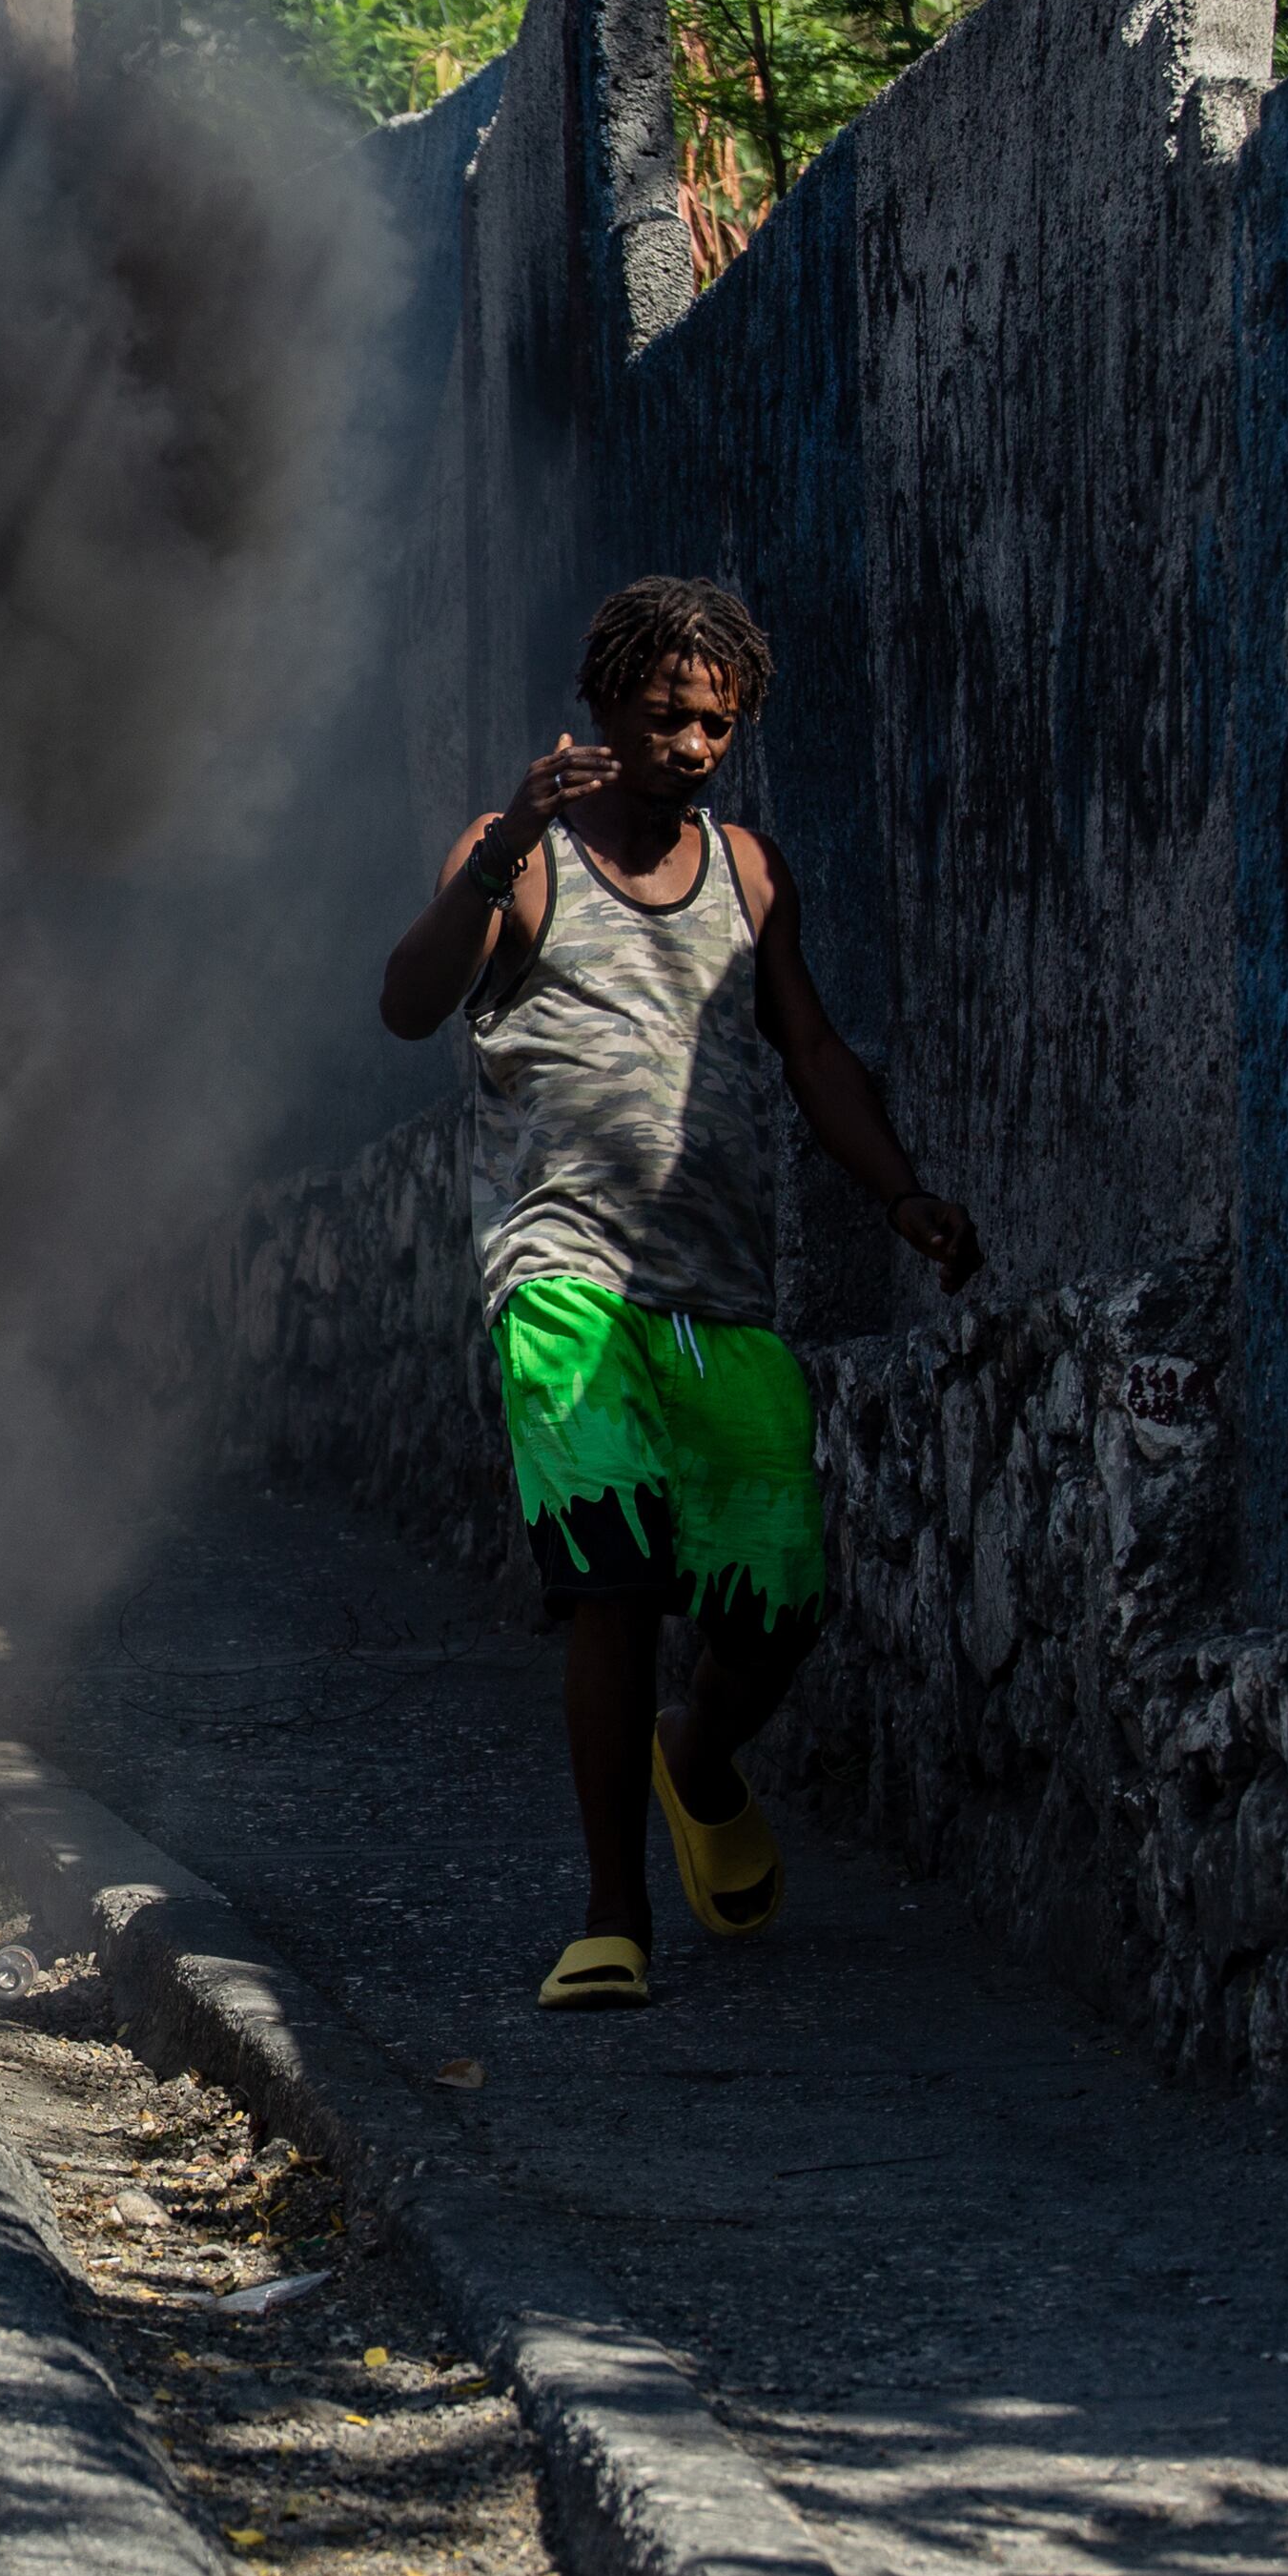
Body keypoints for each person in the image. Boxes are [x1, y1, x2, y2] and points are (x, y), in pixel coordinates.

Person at [377, 577, 985, 2010]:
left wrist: (900, 1190)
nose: (697, 741)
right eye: (669, 714)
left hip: (719, 1292)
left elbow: (815, 1052)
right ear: (605, 709)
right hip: (562, 1277)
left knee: (778, 1594)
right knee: (618, 1576)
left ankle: (698, 1755)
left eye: (720, 721)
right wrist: (501, 846)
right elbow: (409, 1003)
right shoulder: (518, 858)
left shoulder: (753, 874)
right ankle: (611, 1913)